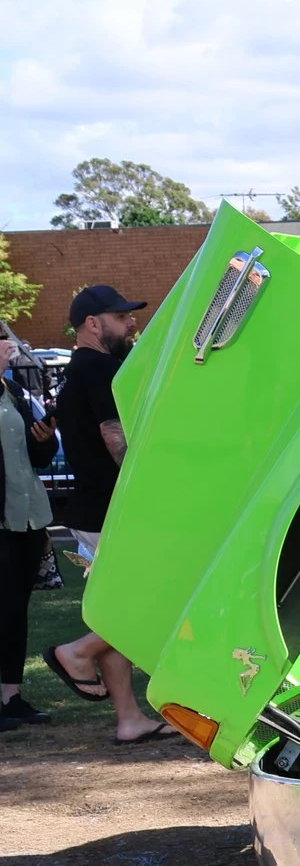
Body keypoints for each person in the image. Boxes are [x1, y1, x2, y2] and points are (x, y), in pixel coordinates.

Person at [42, 285, 171, 744]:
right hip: (111, 510)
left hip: (91, 508)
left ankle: (129, 720)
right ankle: (76, 653)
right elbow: (113, 435)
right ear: (93, 324)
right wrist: (148, 493)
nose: (131, 322)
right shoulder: (101, 368)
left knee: (115, 607)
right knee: (151, 601)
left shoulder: (78, 371)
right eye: (120, 317)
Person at [0, 326, 59, 730]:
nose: (9, 346)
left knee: (15, 608)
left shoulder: (14, 392)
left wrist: (45, 438)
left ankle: (12, 697)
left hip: (28, 513)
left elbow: (38, 456)